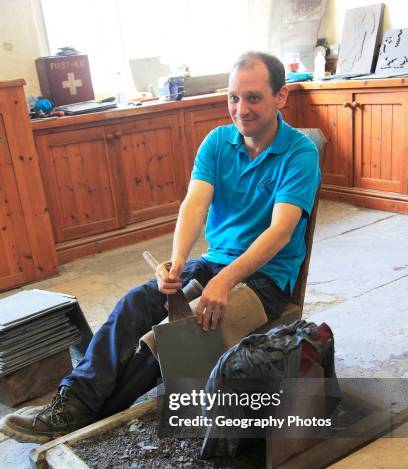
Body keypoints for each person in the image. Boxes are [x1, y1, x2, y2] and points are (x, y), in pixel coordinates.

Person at [0, 51, 320, 444]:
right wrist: (179, 261)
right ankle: (74, 403)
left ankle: (90, 420)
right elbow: (195, 204)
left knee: (171, 339)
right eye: (234, 98)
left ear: (280, 97)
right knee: (137, 302)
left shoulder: (299, 153)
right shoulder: (219, 142)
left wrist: (225, 283)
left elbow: (280, 233)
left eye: (253, 98)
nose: (241, 109)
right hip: (213, 262)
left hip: (267, 279)